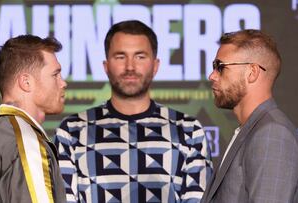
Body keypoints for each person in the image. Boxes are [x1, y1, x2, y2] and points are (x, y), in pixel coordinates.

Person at [54, 20, 213, 203]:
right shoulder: (72, 130)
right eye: (120, 57)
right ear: (106, 66)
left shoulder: (188, 130)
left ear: (156, 65)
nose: (130, 67)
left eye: (140, 56)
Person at [201, 30, 298, 203]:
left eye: (220, 67)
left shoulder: (272, 135)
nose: (212, 76)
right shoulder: (251, 130)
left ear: (252, 72)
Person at [0, 35, 67, 203]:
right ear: (26, 83)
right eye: (55, 75)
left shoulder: (1, 134)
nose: (63, 83)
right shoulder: (27, 142)